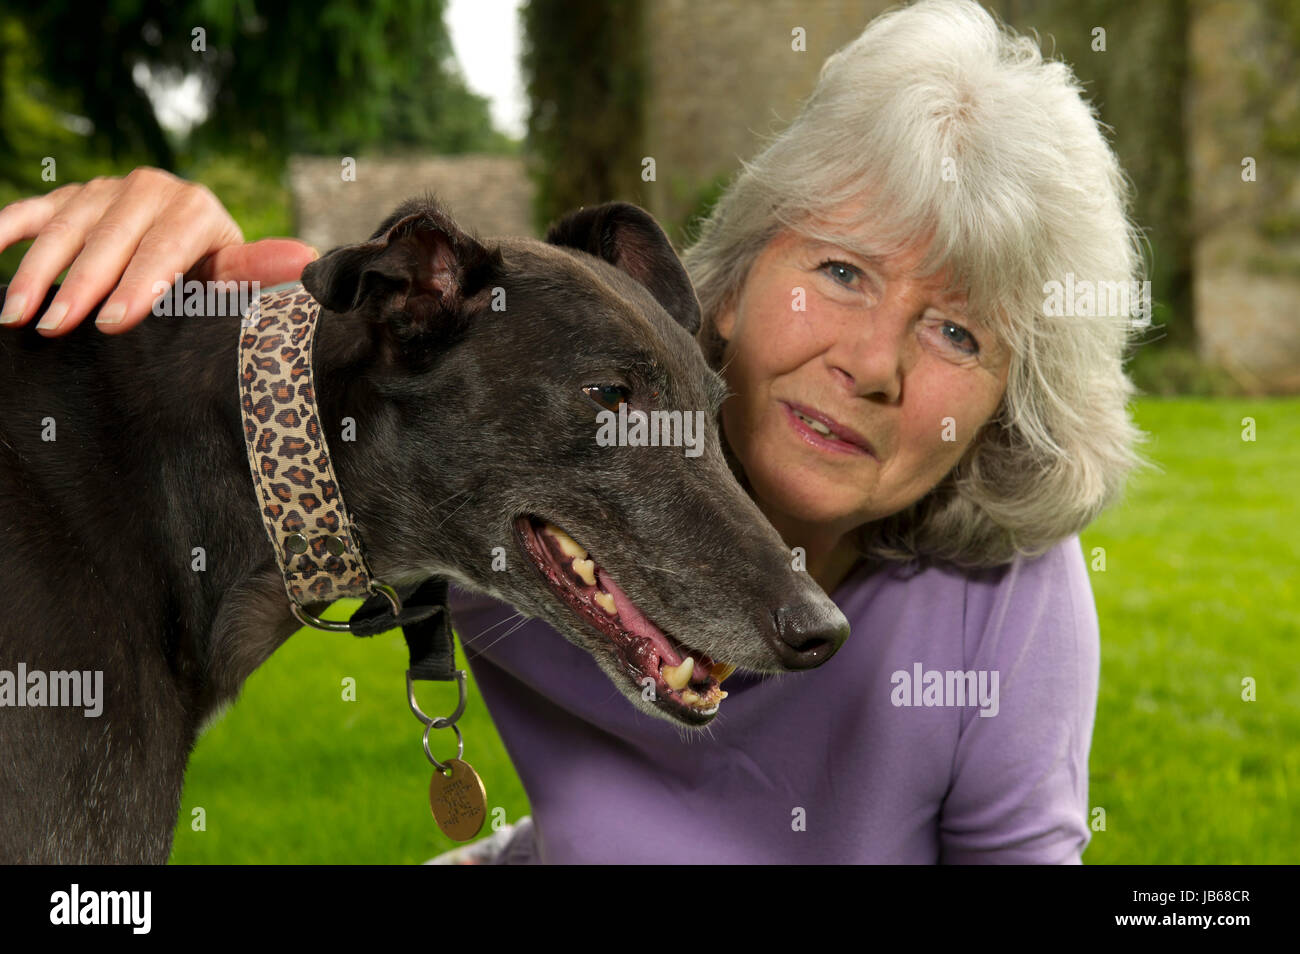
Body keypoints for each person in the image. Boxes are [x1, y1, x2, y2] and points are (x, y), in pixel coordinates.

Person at [0, 0, 1146, 863]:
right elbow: (343, 350)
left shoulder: (1008, 603)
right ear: (725, 294)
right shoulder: (515, 426)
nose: (874, 363)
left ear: (1012, 396)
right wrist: (186, 225)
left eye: (956, 333)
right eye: (841, 270)